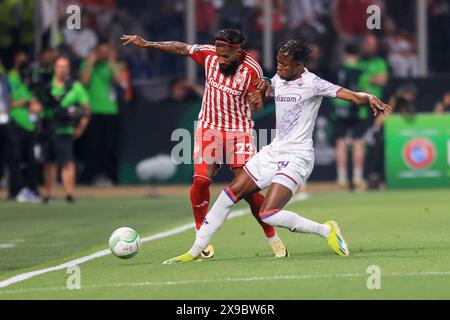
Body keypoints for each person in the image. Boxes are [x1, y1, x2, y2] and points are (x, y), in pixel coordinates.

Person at [163, 39, 392, 264]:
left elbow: (350, 96)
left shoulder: (313, 83)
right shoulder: (278, 79)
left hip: (297, 157)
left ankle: (326, 230)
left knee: (268, 213)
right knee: (228, 195)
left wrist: (370, 97)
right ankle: (193, 252)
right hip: (274, 151)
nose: (279, 67)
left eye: (284, 64)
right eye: (278, 62)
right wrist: (260, 90)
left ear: (299, 64)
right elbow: (264, 89)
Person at [121, 29, 288, 259]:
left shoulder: (252, 69)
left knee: (248, 190)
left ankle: (271, 235)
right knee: (201, 180)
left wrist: (256, 101)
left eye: (225, 56)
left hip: (239, 132)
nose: (220, 59)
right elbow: (180, 47)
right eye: (218, 53)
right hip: (209, 127)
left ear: (238, 50)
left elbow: (256, 104)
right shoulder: (208, 54)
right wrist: (148, 43)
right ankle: (201, 233)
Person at [41, 56, 90, 203]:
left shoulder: (75, 87)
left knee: (67, 162)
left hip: (65, 129)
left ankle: (69, 194)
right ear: (54, 68)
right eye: (59, 66)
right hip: (48, 128)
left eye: (64, 66)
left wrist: (81, 128)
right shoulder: (47, 86)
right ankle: (49, 193)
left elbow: (86, 109)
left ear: (68, 69)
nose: (61, 69)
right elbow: (37, 103)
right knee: (49, 162)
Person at [80, 42, 124, 186]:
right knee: (93, 146)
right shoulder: (87, 64)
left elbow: (120, 82)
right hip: (93, 110)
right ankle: (92, 176)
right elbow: (84, 81)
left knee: (109, 147)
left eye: (107, 51)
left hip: (110, 111)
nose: (104, 54)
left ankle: (109, 177)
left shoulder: (113, 65)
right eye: (102, 51)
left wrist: (111, 63)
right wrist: (91, 62)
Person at [8, 52, 42, 202]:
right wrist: (23, 102)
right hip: (15, 123)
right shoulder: (11, 78)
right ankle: (16, 190)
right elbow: (8, 102)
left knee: (32, 159)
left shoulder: (30, 80)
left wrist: (34, 104)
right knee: (15, 159)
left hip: (30, 125)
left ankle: (32, 189)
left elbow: (36, 100)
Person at [332, 44, 367, 189]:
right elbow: (366, 89)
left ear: (345, 53)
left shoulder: (338, 68)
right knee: (358, 142)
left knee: (341, 143)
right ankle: (358, 178)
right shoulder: (362, 69)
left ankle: (341, 179)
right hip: (358, 110)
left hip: (340, 109)